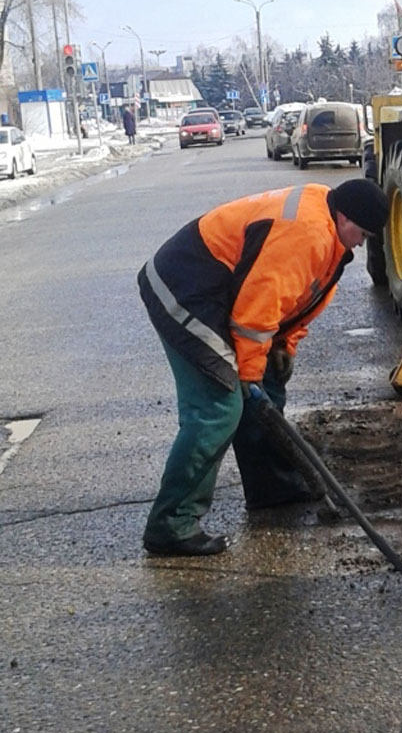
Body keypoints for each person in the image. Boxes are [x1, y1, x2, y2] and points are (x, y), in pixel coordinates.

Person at [138, 179, 388, 556]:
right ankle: (171, 524)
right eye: (362, 234)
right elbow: (255, 312)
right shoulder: (307, 233)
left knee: (266, 387)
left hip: (226, 292)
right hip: (185, 287)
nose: (361, 244)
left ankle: (272, 488)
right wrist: (248, 374)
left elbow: (296, 298)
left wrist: (284, 345)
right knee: (219, 407)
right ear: (344, 217)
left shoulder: (328, 230)